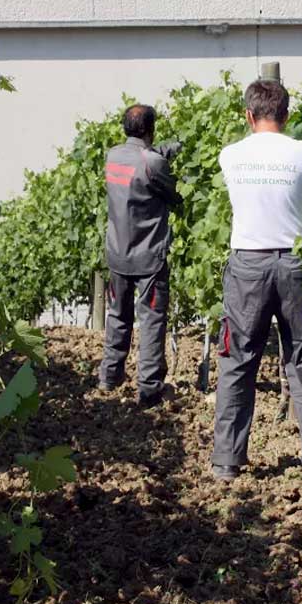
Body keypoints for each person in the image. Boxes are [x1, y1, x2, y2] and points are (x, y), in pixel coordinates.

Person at [211, 78, 302, 481]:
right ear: (287, 114)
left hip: (247, 265)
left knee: (238, 361)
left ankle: (227, 461)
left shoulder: (231, 155)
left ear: (248, 115)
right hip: (296, 266)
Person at [98, 103, 182, 408]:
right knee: (151, 322)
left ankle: (109, 376)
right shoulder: (154, 164)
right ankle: (149, 390)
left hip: (118, 253)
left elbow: (141, 160)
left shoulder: (113, 156)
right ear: (151, 129)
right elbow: (174, 194)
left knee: (118, 316)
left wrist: (160, 151)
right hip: (149, 258)